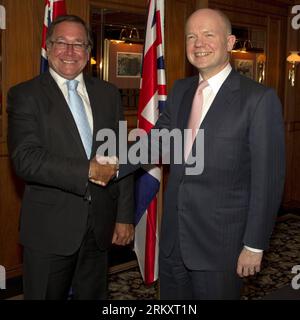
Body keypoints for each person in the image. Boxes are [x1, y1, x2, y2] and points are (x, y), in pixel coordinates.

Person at [102, 8, 285, 299]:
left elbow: (268, 182)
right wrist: (110, 165)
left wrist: (254, 245)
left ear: (229, 42)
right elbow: (156, 142)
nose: (198, 43)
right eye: (191, 36)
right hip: (175, 237)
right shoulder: (181, 90)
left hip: (221, 244)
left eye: (208, 35)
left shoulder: (259, 99)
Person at [7, 15, 134, 300]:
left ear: (89, 52)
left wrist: (124, 216)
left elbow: (121, 158)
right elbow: (26, 159)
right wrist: (87, 170)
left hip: (99, 228)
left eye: (78, 44)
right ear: (48, 47)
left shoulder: (108, 94)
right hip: (49, 229)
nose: (70, 51)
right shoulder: (25, 95)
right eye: (62, 42)